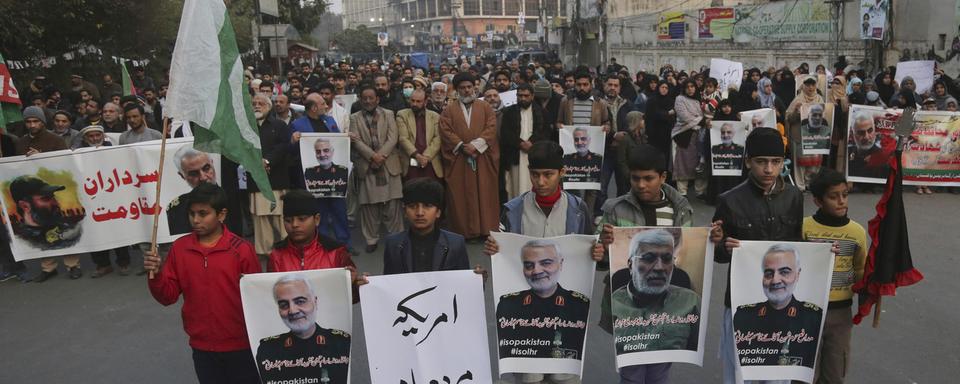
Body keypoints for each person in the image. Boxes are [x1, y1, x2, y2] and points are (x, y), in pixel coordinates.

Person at [485, 141, 596, 384]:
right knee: (530, 377)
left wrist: (597, 254)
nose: (541, 182)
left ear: (562, 173)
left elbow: (590, 254)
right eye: (535, 175)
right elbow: (505, 256)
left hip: (565, 312)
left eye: (548, 175)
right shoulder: (512, 211)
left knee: (563, 375)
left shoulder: (578, 210)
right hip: (526, 315)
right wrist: (494, 249)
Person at [144, 183, 262, 384]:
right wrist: (155, 274)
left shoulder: (242, 250)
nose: (195, 220)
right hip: (201, 347)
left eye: (202, 213)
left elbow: (257, 301)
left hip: (241, 346)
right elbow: (167, 296)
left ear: (221, 214)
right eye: (191, 214)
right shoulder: (180, 248)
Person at [712, 128, 803, 384]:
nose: (768, 169)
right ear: (748, 161)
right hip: (742, 302)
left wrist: (820, 250)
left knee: (778, 373)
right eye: (761, 162)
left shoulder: (794, 197)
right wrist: (720, 245)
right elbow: (718, 254)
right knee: (741, 371)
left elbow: (798, 245)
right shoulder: (729, 200)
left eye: (775, 162)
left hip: (782, 303)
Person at [803, 169, 867, 383]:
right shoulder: (804, 228)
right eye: (833, 196)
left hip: (840, 314)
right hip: (807, 310)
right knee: (804, 372)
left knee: (835, 371)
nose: (841, 201)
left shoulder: (856, 232)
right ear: (818, 201)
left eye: (845, 195)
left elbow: (860, 268)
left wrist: (868, 291)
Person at [495, 239, 590, 362]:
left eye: (546, 263)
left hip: (565, 373)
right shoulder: (508, 305)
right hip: (527, 372)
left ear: (561, 263)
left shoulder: (579, 304)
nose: (536, 271)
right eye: (529, 265)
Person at [733, 243, 823, 369]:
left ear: (798, 275)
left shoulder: (813, 317)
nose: (775, 280)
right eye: (769, 273)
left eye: (784, 272)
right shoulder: (743, 317)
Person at [611, 228, 700, 354]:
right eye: (648, 258)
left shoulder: (691, 302)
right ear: (631, 265)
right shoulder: (614, 302)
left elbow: (694, 352)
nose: (659, 267)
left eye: (667, 259)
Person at [255, 274, 351, 384]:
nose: (292, 311)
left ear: (315, 302)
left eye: (300, 301)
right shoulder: (268, 349)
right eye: (283, 305)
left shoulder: (341, 342)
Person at [439, 73, 500, 241]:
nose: (466, 91)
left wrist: (475, 145)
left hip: (482, 158)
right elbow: (445, 131)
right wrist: (461, 145)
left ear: (475, 87)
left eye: (469, 87)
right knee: (460, 195)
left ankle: (486, 230)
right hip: (459, 159)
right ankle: (464, 232)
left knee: (484, 193)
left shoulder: (485, 107)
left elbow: (491, 128)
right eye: (462, 88)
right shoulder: (449, 110)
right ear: (457, 90)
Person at [349, 85, 404, 253]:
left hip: (388, 165)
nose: (367, 101)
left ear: (377, 99)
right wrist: (373, 156)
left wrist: (381, 155)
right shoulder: (354, 118)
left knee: (393, 205)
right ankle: (371, 239)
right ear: (360, 99)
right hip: (367, 166)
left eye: (371, 98)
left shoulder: (388, 114)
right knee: (369, 207)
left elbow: (393, 137)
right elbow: (356, 141)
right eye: (364, 98)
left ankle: (397, 239)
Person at [382, 178, 471, 274]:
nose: (420, 213)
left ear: (438, 212)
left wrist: (477, 280)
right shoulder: (392, 244)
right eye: (412, 206)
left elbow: (463, 285)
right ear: (405, 212)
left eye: (427, 206)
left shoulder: (456, 244)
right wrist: (366, 286)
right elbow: (389, 284)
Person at [557, 71, 611, 213]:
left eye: (585, 84)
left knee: (591, 185)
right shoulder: (566, 101)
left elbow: (607, 122)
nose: (582, 88)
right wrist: (560, 128)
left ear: (591, 84)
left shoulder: (600, 103)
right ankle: (574, 213)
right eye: (579, 84)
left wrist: (606, 128)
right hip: (571, 151)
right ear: (574, 84)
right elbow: (558, 121)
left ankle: (587, 215)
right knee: (571, 183)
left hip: (592, 151)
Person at [249, 93, 293, 255]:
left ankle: (289, 250)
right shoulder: (246, 127)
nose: (257, 106)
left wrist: (267, 161)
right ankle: (264, 253)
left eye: (261, 103)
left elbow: (283, 146)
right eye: (254, 103)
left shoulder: (279, 125)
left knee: (280, 217)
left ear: (269, 106)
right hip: (256, 181)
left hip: (276, 179)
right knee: (260, 219)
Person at [501, 83, 550, 202]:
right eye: (520, 95)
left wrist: (531, 143)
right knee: (516, 187)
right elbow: (506, 133)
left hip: (535, 155)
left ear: (532, 96)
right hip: (516, 155)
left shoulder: (542, 112)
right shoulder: (509, 112)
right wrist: (520, 143)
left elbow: (546, 132)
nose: (523, 98)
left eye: (526, 96)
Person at [396, 89, 443, 182]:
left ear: (425, 101)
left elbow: (438, 138)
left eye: (418, 101)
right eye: (412, 100)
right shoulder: (402, 115)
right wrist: (418, 156)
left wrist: (426, 157)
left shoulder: (435, 116)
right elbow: (403, 138)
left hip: (430, 161)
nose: (414, 104)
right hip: (411, 160)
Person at [672, 79, 707, 198]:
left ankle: (700, 191)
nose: (690, 89)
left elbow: (704, 115)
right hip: (684, 134)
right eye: (687, 87)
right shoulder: (680, 99)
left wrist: (700, 121)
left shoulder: (699, 100)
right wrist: (701, 121)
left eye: (692, 86)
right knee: (683, 163)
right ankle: (682, 192)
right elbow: (684, 117)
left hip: (700, 136)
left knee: (700, 162)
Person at [846, 112, 889, 180]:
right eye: (861, 132)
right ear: (852, 133)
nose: (866, 137)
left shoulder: (885, 159)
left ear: (875, 131)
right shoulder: (847, 153)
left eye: (870, 131)